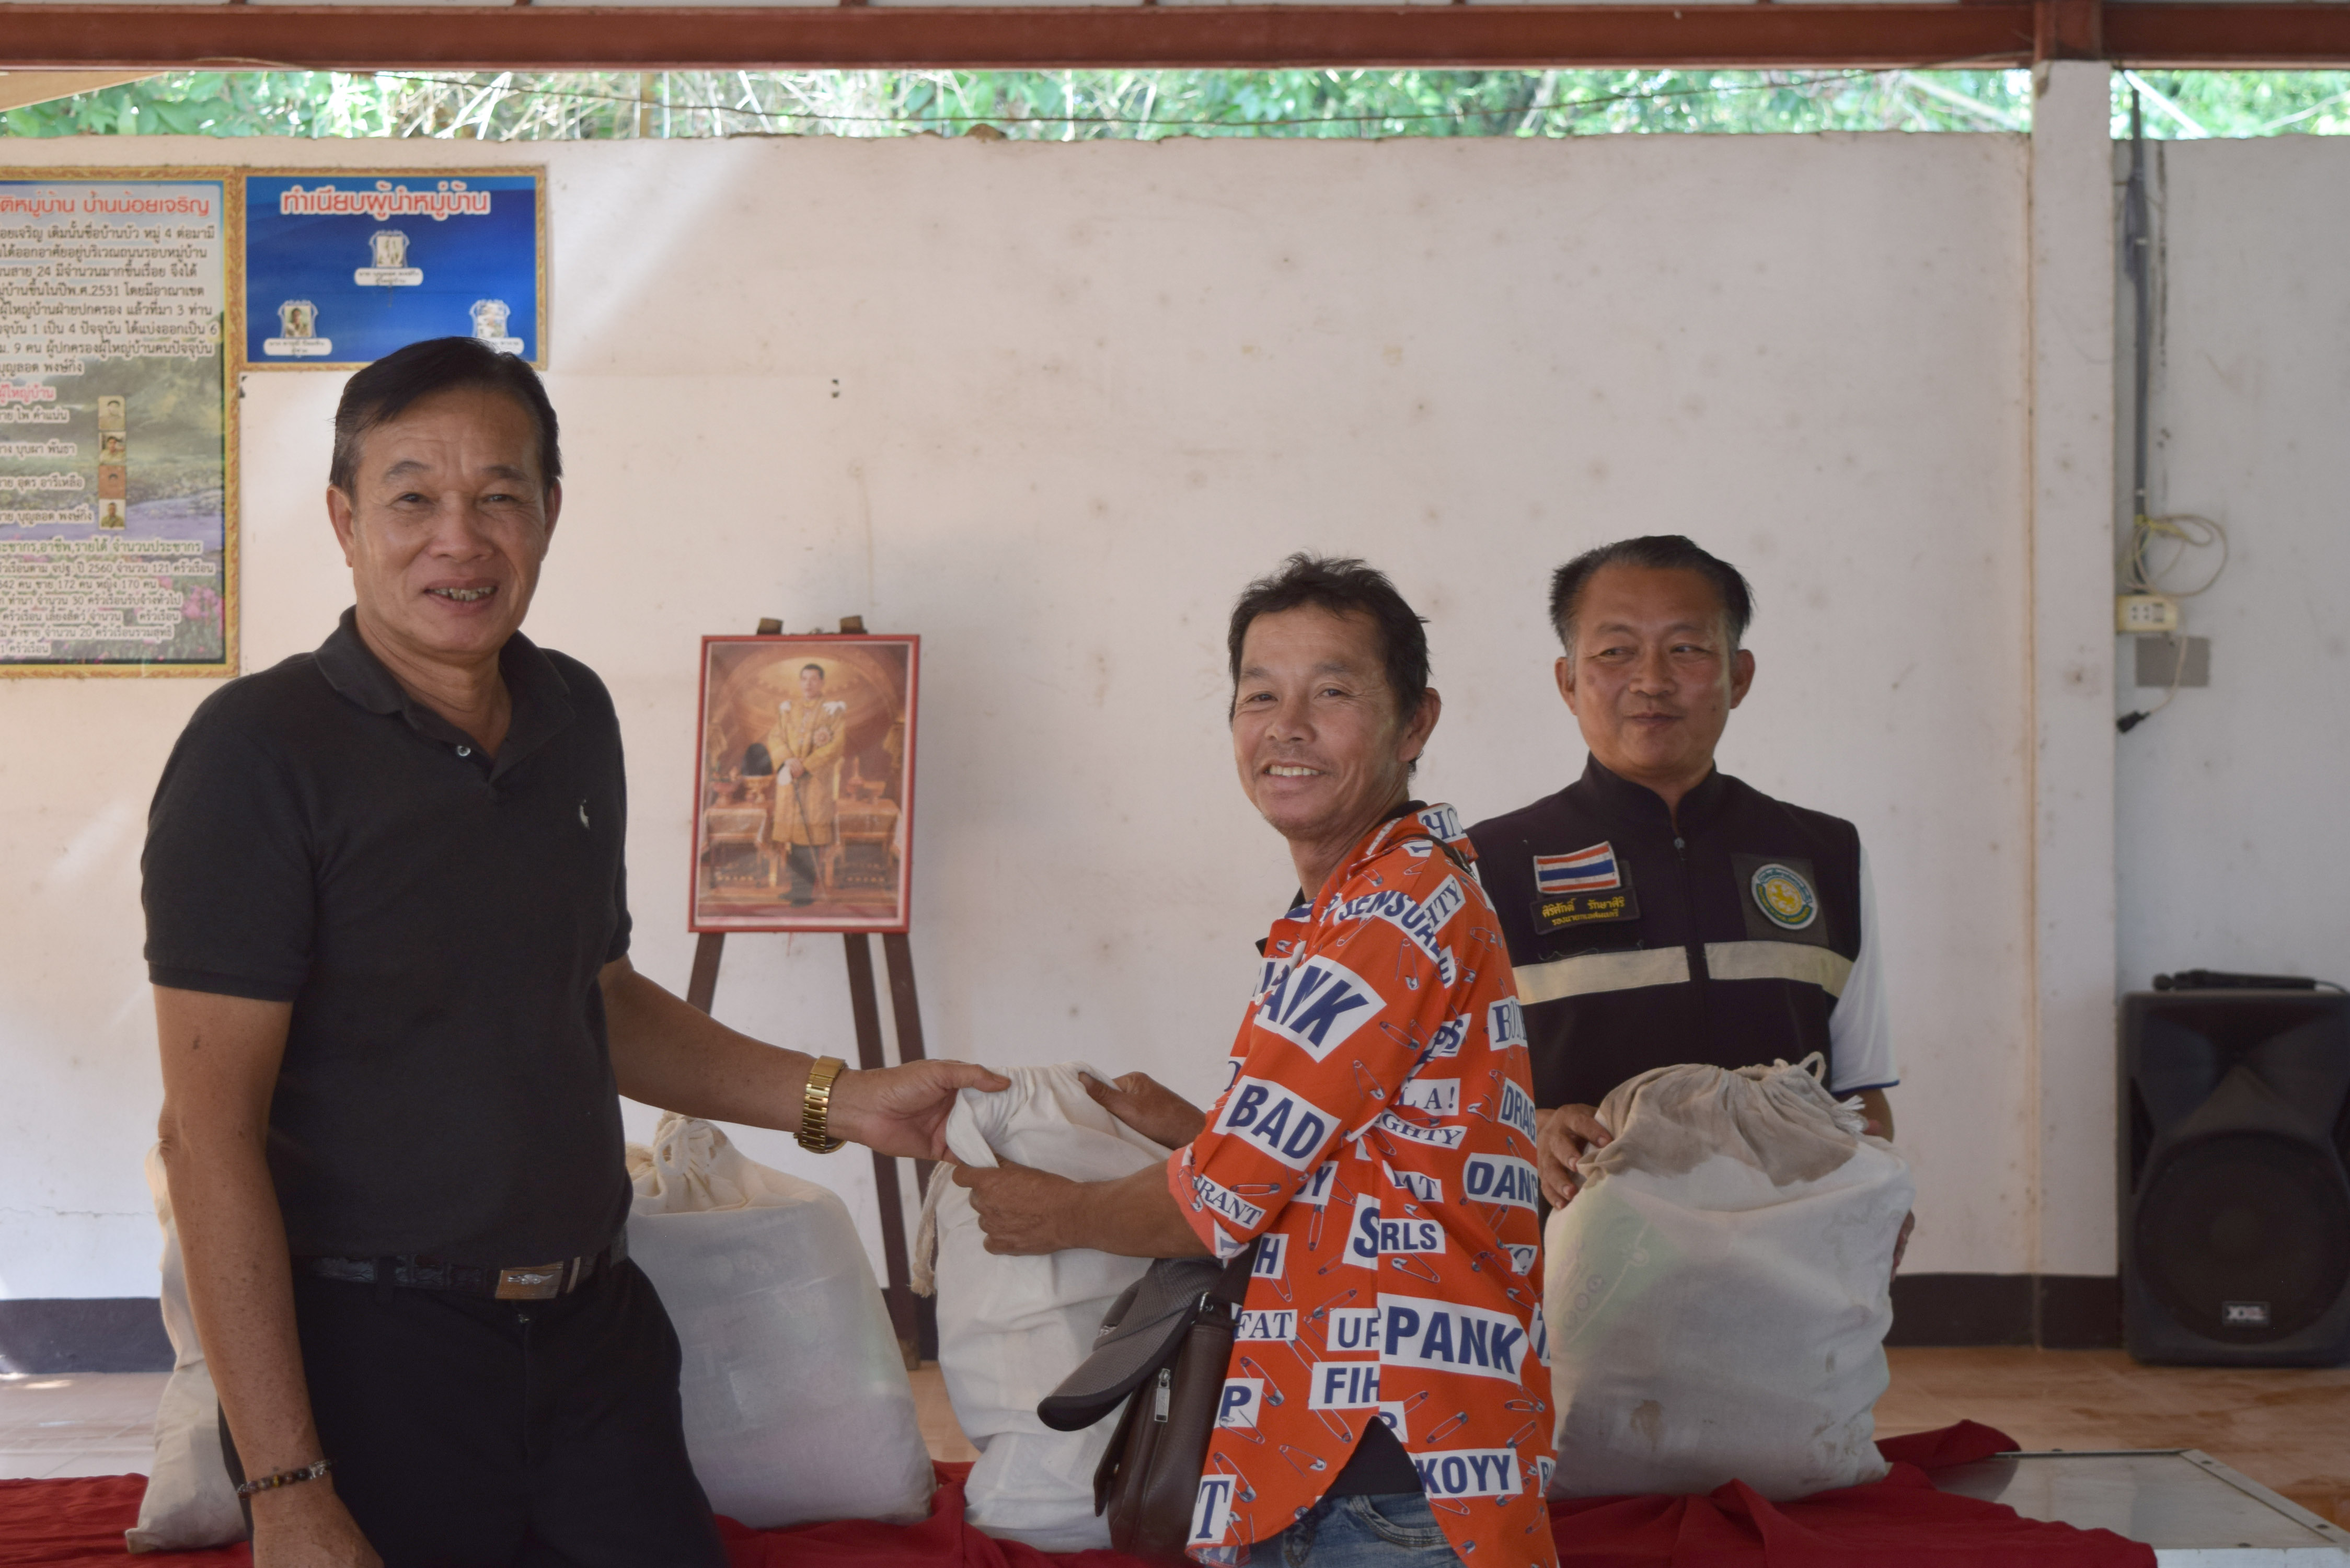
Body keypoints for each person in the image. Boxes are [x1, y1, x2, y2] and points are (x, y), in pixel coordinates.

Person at [143, 337, 1005, 1568]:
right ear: (344, 520)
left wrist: (842, 1098)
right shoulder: (258, 752)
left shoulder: (571, 714)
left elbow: (596, 996)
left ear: (549, 511)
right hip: (374, 1357)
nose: (460, 540)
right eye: (412, 499)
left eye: (499, 495)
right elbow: (206, 1135)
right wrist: (284, 1485)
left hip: (596, 1336)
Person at [955, 555, 1557, 1567]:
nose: (1287, 727)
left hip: (1388, 1470)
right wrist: (1202, 1131)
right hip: (1341, 1453)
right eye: (1259, 696)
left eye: (1332, 693)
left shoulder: (1392, 909)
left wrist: (1054, 1217)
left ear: (1415, 723)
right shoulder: (1352, 899)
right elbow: (1355, 1169)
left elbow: (1216, 1209)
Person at [1464, 535, 1902, 1214]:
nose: (1651, 680)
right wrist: (1536, 1128)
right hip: (1576, 1261)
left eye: (1687, 648)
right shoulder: (1486, 864)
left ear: (1739, 675)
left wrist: (1876, 1204)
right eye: (1615, 651)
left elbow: (1858, 1094)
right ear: (1568, 681)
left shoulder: (1825, 853)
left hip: (1786, 1254)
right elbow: (1444, 1103)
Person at [757, 663, 845, 904]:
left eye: (814, 679)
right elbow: (775, 737)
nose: (808, 684)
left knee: (810, 838)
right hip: (791, 781)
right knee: (793, 840)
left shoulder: (832, 711)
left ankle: (807, 892)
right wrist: (788, 759)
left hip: (815, 785)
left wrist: (806, 765)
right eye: (804, 679)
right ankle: (797, 889)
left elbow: (836, 746)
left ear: (822, 682)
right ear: (799, 682)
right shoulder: (788, 710)